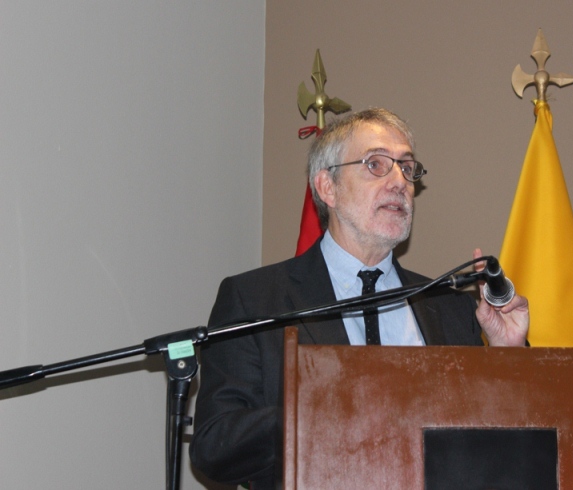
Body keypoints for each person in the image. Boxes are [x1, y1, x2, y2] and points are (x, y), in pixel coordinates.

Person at [189, 108, 529, 489]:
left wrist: (509, 358)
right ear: (327, 187)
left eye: (407, 168)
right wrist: (321, 410)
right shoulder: (256, 299)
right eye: (376, 164)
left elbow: (506, 448)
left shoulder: (452, 308)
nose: (399, 182)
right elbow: (215, 446)